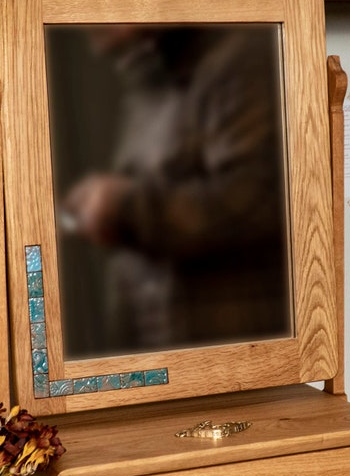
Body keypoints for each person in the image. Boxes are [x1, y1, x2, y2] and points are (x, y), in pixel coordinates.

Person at [55, 23, 291, 356]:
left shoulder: (240, 57)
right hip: (156, 346)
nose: (97, 41)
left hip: (224, 358)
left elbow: (248, 201)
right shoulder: (147, 74)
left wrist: (119, 205)